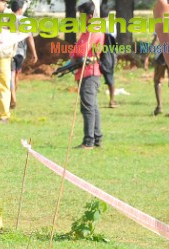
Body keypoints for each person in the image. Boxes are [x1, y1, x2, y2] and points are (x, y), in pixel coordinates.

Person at [71, 1, 103, 148]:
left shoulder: (94, 32)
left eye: (81, 16)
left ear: (89, 16)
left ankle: (89, 141)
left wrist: (79, 56)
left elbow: (87, 53)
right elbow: (75, 52)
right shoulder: (85, 32)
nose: (79, 18)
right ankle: (96, 138)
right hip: (82, 73)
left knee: (88, 107)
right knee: (92, 106)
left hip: (90, 73)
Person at [8, 0, 36, 109]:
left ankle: (13, 97)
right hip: (20, 53)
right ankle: (13, 97)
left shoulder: (6, 19)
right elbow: (29, 37)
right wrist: (34, 52)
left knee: (11, 75)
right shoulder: (25, 20)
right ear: (20, 8)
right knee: (16, 75)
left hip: (9, 51)